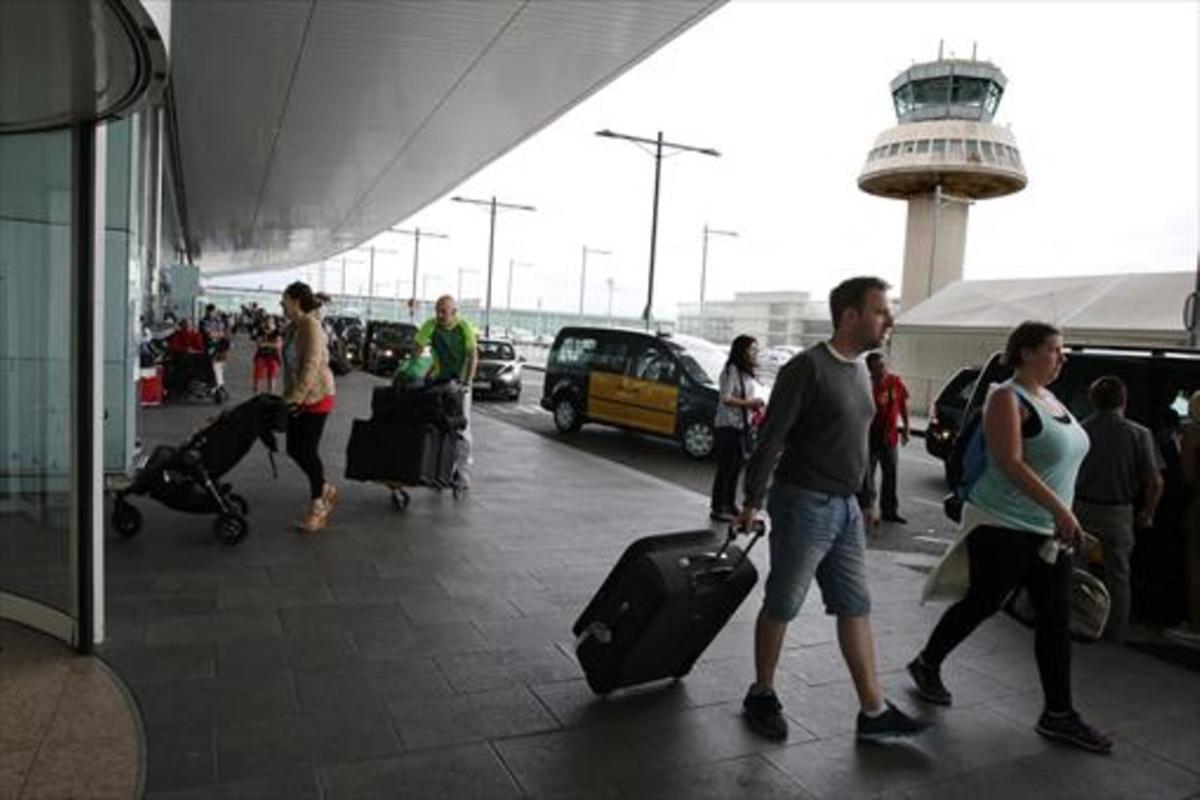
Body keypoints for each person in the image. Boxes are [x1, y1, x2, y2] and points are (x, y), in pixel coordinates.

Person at [737, 276, 927, 743]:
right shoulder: (807, 368)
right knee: (783, 602)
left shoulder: (862, 369)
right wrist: (751, 501)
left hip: (844, 510)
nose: (889, 320)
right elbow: (773, 437)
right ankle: (762, 692)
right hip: (804, 503)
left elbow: (859, 439)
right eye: (881, 311)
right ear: (850, 315)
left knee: (855, 606)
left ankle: (873, 710)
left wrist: (865, 498)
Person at [912, 321, 1112, 754]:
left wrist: (1066, 515)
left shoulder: (1053, 400)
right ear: (1024, 353)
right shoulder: (1006, 397)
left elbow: (1058, 470)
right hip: (1003, 524)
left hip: (1045, 530)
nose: (1062, 358)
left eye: (1062, 351)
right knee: (984, 602)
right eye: (1054, 350)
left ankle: (1058, 713)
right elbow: (1009, 461)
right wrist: (1061, 511)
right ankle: (927, 663)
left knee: (1054, 620)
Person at [1073, 376, 1165, 644]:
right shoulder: (1139, 434)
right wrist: (1148, 512)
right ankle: (1115, 634)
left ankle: (1080, 623)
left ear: (1092, 400)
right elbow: (1155, 481)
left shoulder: (1081, 431)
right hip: (1118, 514)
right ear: (1124, 400)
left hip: (1081, 509)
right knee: (1118, 576)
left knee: (1078, 570)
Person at [280, 282, 338, 532]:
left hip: (317, 397)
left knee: (307, 450)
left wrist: (295, 397)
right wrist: (288, 396)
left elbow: (311, 366)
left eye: (284, 300)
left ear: (295, 301)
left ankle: (318, 507)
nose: (281, 304)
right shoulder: (292, 327)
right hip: (299, 396)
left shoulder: (311, 327)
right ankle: (325, 488)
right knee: (294, 448)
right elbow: (291, 367)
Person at [415, 295, 478, 487]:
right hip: (439, 380)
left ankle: (462, 473)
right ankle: (438, 470)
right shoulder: (431, 325)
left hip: (460, 383)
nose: (439, 315)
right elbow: (417, 350)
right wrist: (412, 371)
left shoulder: (464, 327)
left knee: (462, 428)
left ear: (454, 312)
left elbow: (473, 356)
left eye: (443, 311)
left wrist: (466, 383)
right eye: (437, 310)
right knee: (438, 425)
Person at [710, 335, 765, 523]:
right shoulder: (730, 370)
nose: (755, 353)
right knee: (726, 468)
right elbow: (726, 398)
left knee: (735, 468)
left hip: (742, 426)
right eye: (751, 350)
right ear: (741, 351)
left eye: (756, 350)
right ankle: (718, 508)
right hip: (728, 426)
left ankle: (730, 504)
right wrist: (750, 403)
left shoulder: (746, 372)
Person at [1165, 390, 1200, 648]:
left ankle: (1196, 627)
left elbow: (1188, 476)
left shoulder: (1192, 433)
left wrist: (1179, 447)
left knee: (1196, 568)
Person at [865, 351, 911, 525]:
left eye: (883, 366)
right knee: (867, 475)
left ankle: (889, 511)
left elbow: (902, 406)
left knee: (890, 474)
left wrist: (906, 428)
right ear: (870, 369)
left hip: (890, 436)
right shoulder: (866, 385)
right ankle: (867, 508)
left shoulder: (895, 382)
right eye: (877, 367)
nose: (882, 370)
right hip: (870, 436)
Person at [199, 303, 230, 391]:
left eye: (213, 311)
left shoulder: (217, 320)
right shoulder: (204, 321)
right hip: (209, 346)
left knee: (219, 365)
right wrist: (218, 334)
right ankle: (214, 383)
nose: (212, 313)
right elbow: (209, 335)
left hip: (219, 347)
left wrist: (216, 334)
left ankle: (219, 383)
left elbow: (222, 333)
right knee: (211, 365)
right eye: (211, 312)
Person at [252, 316, 283, 395]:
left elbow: (278, 345)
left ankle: (271, 393)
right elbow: (259, 344)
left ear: (273, 322)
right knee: (258, 375)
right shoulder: (260, 331)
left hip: (273, 356)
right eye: (267, 321)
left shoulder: (277, 331)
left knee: (272, 376)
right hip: (261, 356)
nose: (268, 323)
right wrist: (271, 344)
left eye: (271, 321)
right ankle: (257, 393)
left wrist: (266, 344)